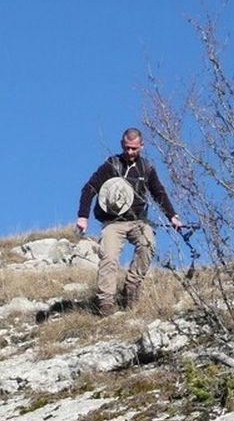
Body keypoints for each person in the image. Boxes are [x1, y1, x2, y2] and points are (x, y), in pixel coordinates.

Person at [77, 127, 182, 316]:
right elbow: (89, 188)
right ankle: (106, 302)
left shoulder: (147, 168)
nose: (130, 152)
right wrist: (83, 216)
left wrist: (172, 216)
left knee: (147, 244)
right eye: (127, 148)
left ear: (141, 146)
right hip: (113, 222)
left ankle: (131, 288)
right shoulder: (111, 165)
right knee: (108, 257)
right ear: (121, 145)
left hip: (138, 221)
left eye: (134, 148)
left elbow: (158, 192)